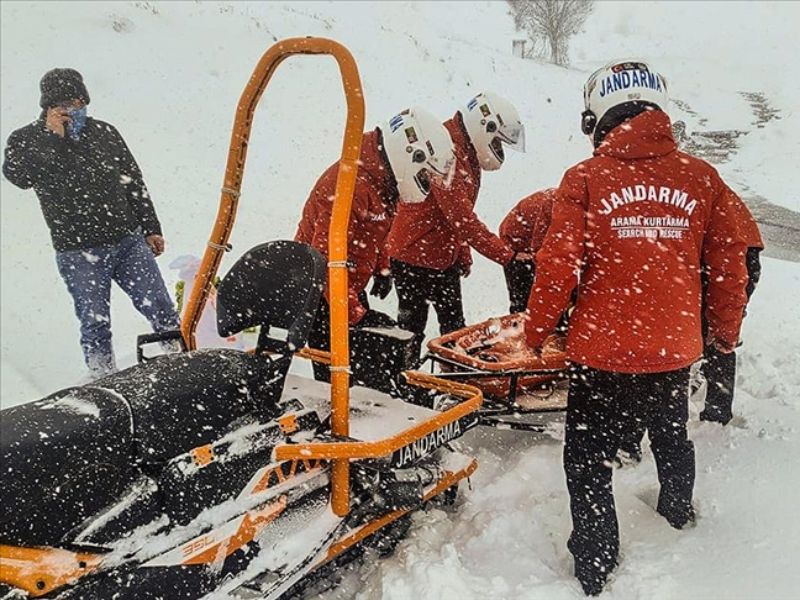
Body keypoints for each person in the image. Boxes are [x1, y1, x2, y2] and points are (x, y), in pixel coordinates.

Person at [522, 60, 749, 595]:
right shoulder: (702, 177)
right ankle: (677, 515)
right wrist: (724, 332)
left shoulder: (585, 178)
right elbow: (728, 266)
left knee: (587, 458)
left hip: (601, 352)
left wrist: (536, 331)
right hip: (672, 350)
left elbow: (557, 265)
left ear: (597, 116)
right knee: (671, 437)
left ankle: (596, 561)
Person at [3, 68, 180, 378]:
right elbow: (19, 177)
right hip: (78, 252)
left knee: (161, 307)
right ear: (48, 106)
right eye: (64, 103)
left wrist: (151, 227)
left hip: (127, 241)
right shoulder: (26, 140)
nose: (74, 108)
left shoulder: (104, 132)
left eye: (78, 100)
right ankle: (104, 378)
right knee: (95, 322)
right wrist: (50, 139)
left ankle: (181, 362)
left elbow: (133, 182)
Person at [295, 106, 456, 380]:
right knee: (339, 376)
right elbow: (324, 260)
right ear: (411, 156)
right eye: (425, 175)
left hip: (343, 286)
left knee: (371, 360)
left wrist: (382, 268)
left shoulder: (381, 179)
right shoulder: (351, 185)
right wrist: (358, 315)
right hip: (318, 292)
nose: (426, 183)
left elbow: (375, 232)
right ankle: (336, 419)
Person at [384, 92, 530, 363]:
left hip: (440, 258)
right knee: (412, 330)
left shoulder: (464, 148)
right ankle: (405, 387)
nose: (497, 148)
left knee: (454, 330)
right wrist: (507, 256)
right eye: (497, 141)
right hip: (413, 257)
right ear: (484, 127)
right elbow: (461, 218)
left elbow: (453, 217)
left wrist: (460, 253)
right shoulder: (444, 150)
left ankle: (451, 383)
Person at [699, 195, 764, 424]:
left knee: (717, 333)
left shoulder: (690, 187)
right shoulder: (706, 184)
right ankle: (716, 403)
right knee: (718, 329)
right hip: (742, 254)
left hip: (729, 258)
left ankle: (716, 412)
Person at [499, 188, 557, 313]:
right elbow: (541, 247)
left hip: (530, 240)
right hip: (516, 245)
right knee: (524, 299)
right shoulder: (553, 205)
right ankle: (521, 324)